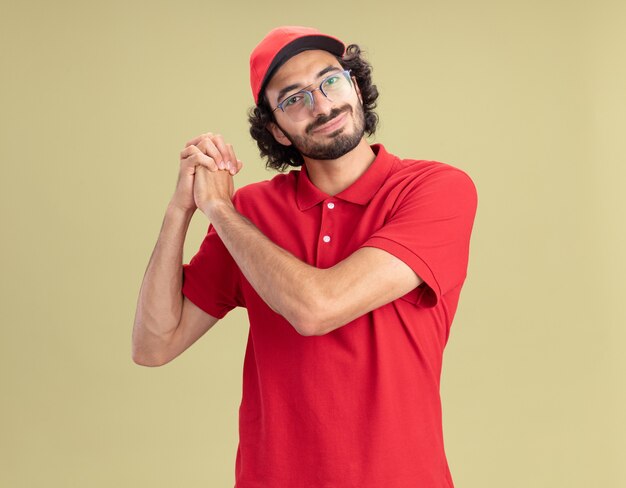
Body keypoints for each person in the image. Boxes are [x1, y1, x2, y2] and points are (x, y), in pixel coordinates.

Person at [132, 25, 478, 488]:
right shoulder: (251, 214)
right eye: (293, 98)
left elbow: (317, 308)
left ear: (354, 85)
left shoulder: (435, 189)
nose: (321, 104)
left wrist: (218, 207)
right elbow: (154, 345)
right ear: (276, 129)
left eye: (330, 80)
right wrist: (182, 208)